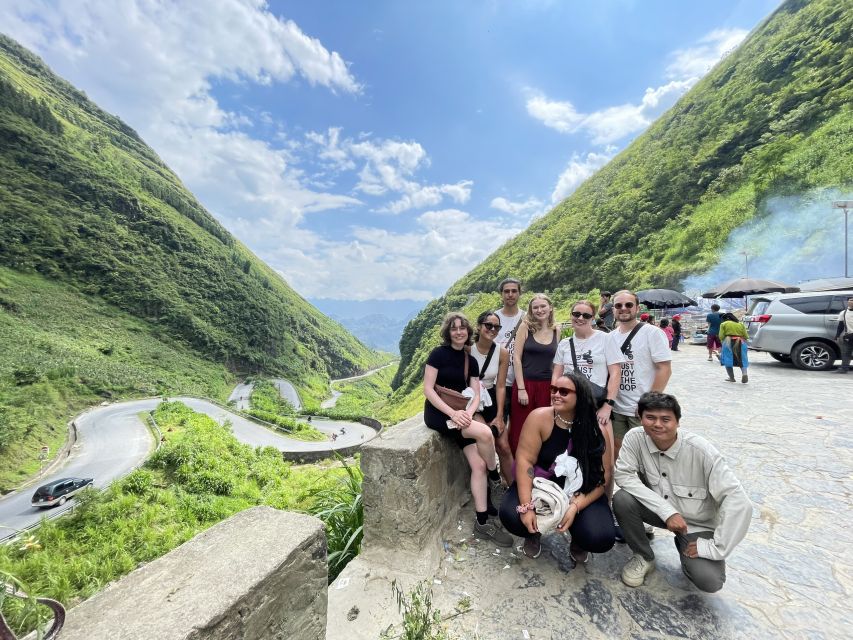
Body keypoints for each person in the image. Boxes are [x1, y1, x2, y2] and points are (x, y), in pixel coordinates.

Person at [613, 392, 752, 592]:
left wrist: (715, 548)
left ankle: (684, 542)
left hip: (696, 524)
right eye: (650, 417)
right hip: (658, 511)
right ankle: (643, 555)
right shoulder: (635, 438)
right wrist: (668, 512)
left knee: (709, 581)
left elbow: (739, 502)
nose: (657, 424)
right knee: (622, 499)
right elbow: (624, 475)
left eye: (665, 419)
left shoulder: (701, 451)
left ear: (678, 421)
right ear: (640, 417)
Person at [500, 372, 616, 561]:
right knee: (511, 516)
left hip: (579, 491)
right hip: (542, 486)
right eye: (553, 390)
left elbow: (603, 476)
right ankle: (534, 533)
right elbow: (524, 462)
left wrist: (575, 506)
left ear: (581, 397)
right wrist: (527, 506)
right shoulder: (539, 418)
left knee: (599, 536)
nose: (556, 394)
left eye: (564, 391)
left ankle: (579, 538)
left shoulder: (597, 430)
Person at [423, 312, 512, 546]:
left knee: (478, 464)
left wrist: (468, 414)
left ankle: (482, 523)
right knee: (484, 432)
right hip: (439, 415)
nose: (459, 332)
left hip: (461, 417)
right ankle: (496, 477)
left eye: (463, 328)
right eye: (454, 328)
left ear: (468, 331)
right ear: (448, 332)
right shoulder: (438, 354)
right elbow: (429, 389)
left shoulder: (469, 359)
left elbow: (476, 393)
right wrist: (453, 414)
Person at [552, 300, 622, 500]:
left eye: (586, 315)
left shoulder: (605, 339)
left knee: (605, 461)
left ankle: (605, 503)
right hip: (570, 407)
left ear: (593, 318)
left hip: (596, 406)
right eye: (576, 314)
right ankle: (569, 497)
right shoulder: (565, 344)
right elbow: (556, 375)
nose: (580, 318)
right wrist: (555, 402)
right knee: (568, 455)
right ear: (571, 315)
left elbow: (615, 373)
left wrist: (608, 405)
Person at [607, 290, 672, 461]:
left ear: (637, 308)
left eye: (628, 305)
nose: (623, 308)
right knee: (618, 453)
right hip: (617, 408)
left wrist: (648, 402)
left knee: (647, 456)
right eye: (618, 305)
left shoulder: (652, 333)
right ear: (613, 309)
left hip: (641, 408)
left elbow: (664, 369)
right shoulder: (610, 337)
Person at [511, 294, 560, 454]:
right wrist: (521, 389)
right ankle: (518, 470)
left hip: (547, 386)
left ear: (550, 307)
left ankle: (541, 469)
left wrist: (555, 389)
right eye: (535, 307)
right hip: (525, 384)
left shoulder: (556, 329)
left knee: (545, 427)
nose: (540, 310)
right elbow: (516, 358)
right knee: (520, 427)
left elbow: (556, 362)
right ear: (531, 311)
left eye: (543, 306)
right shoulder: (525, 327)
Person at [471, 310, 513, 484]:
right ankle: (490, 479)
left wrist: (499, 416)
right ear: (480, 327)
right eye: (489, 325)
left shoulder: (502, 353)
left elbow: (501, 385)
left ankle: (514, 488)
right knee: (485, 438)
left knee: (503, 446)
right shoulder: (468, 350)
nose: (492, 329)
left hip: (491, 398)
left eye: (497, 327)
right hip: (472, 400)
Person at [494, 278, 524, 425]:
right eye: (506, 291)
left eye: (514, 291)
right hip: (498, 382)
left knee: (520, 425)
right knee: (500, 425)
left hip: (521, 382)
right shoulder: (493, 318)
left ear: (519, 294)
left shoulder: (526, 318)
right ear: (501, 294)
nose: (510, 294)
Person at [719, 312, 749, 383]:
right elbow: (746, 336)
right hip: (740, 342)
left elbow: (721, 336)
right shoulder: (740, 324)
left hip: (728, 342)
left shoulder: (723, 324)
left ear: (725, 319)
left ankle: (731, 378)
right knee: (742, 359)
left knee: (728, 359)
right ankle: (744, 374)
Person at [834, 296, 853, 373]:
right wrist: (837, 335)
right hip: (848, 335)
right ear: (847, 302)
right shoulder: (843, 313)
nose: (852, 302)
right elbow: (841, 325)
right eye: (851, 300)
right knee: (846, 353)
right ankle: (844, 368)